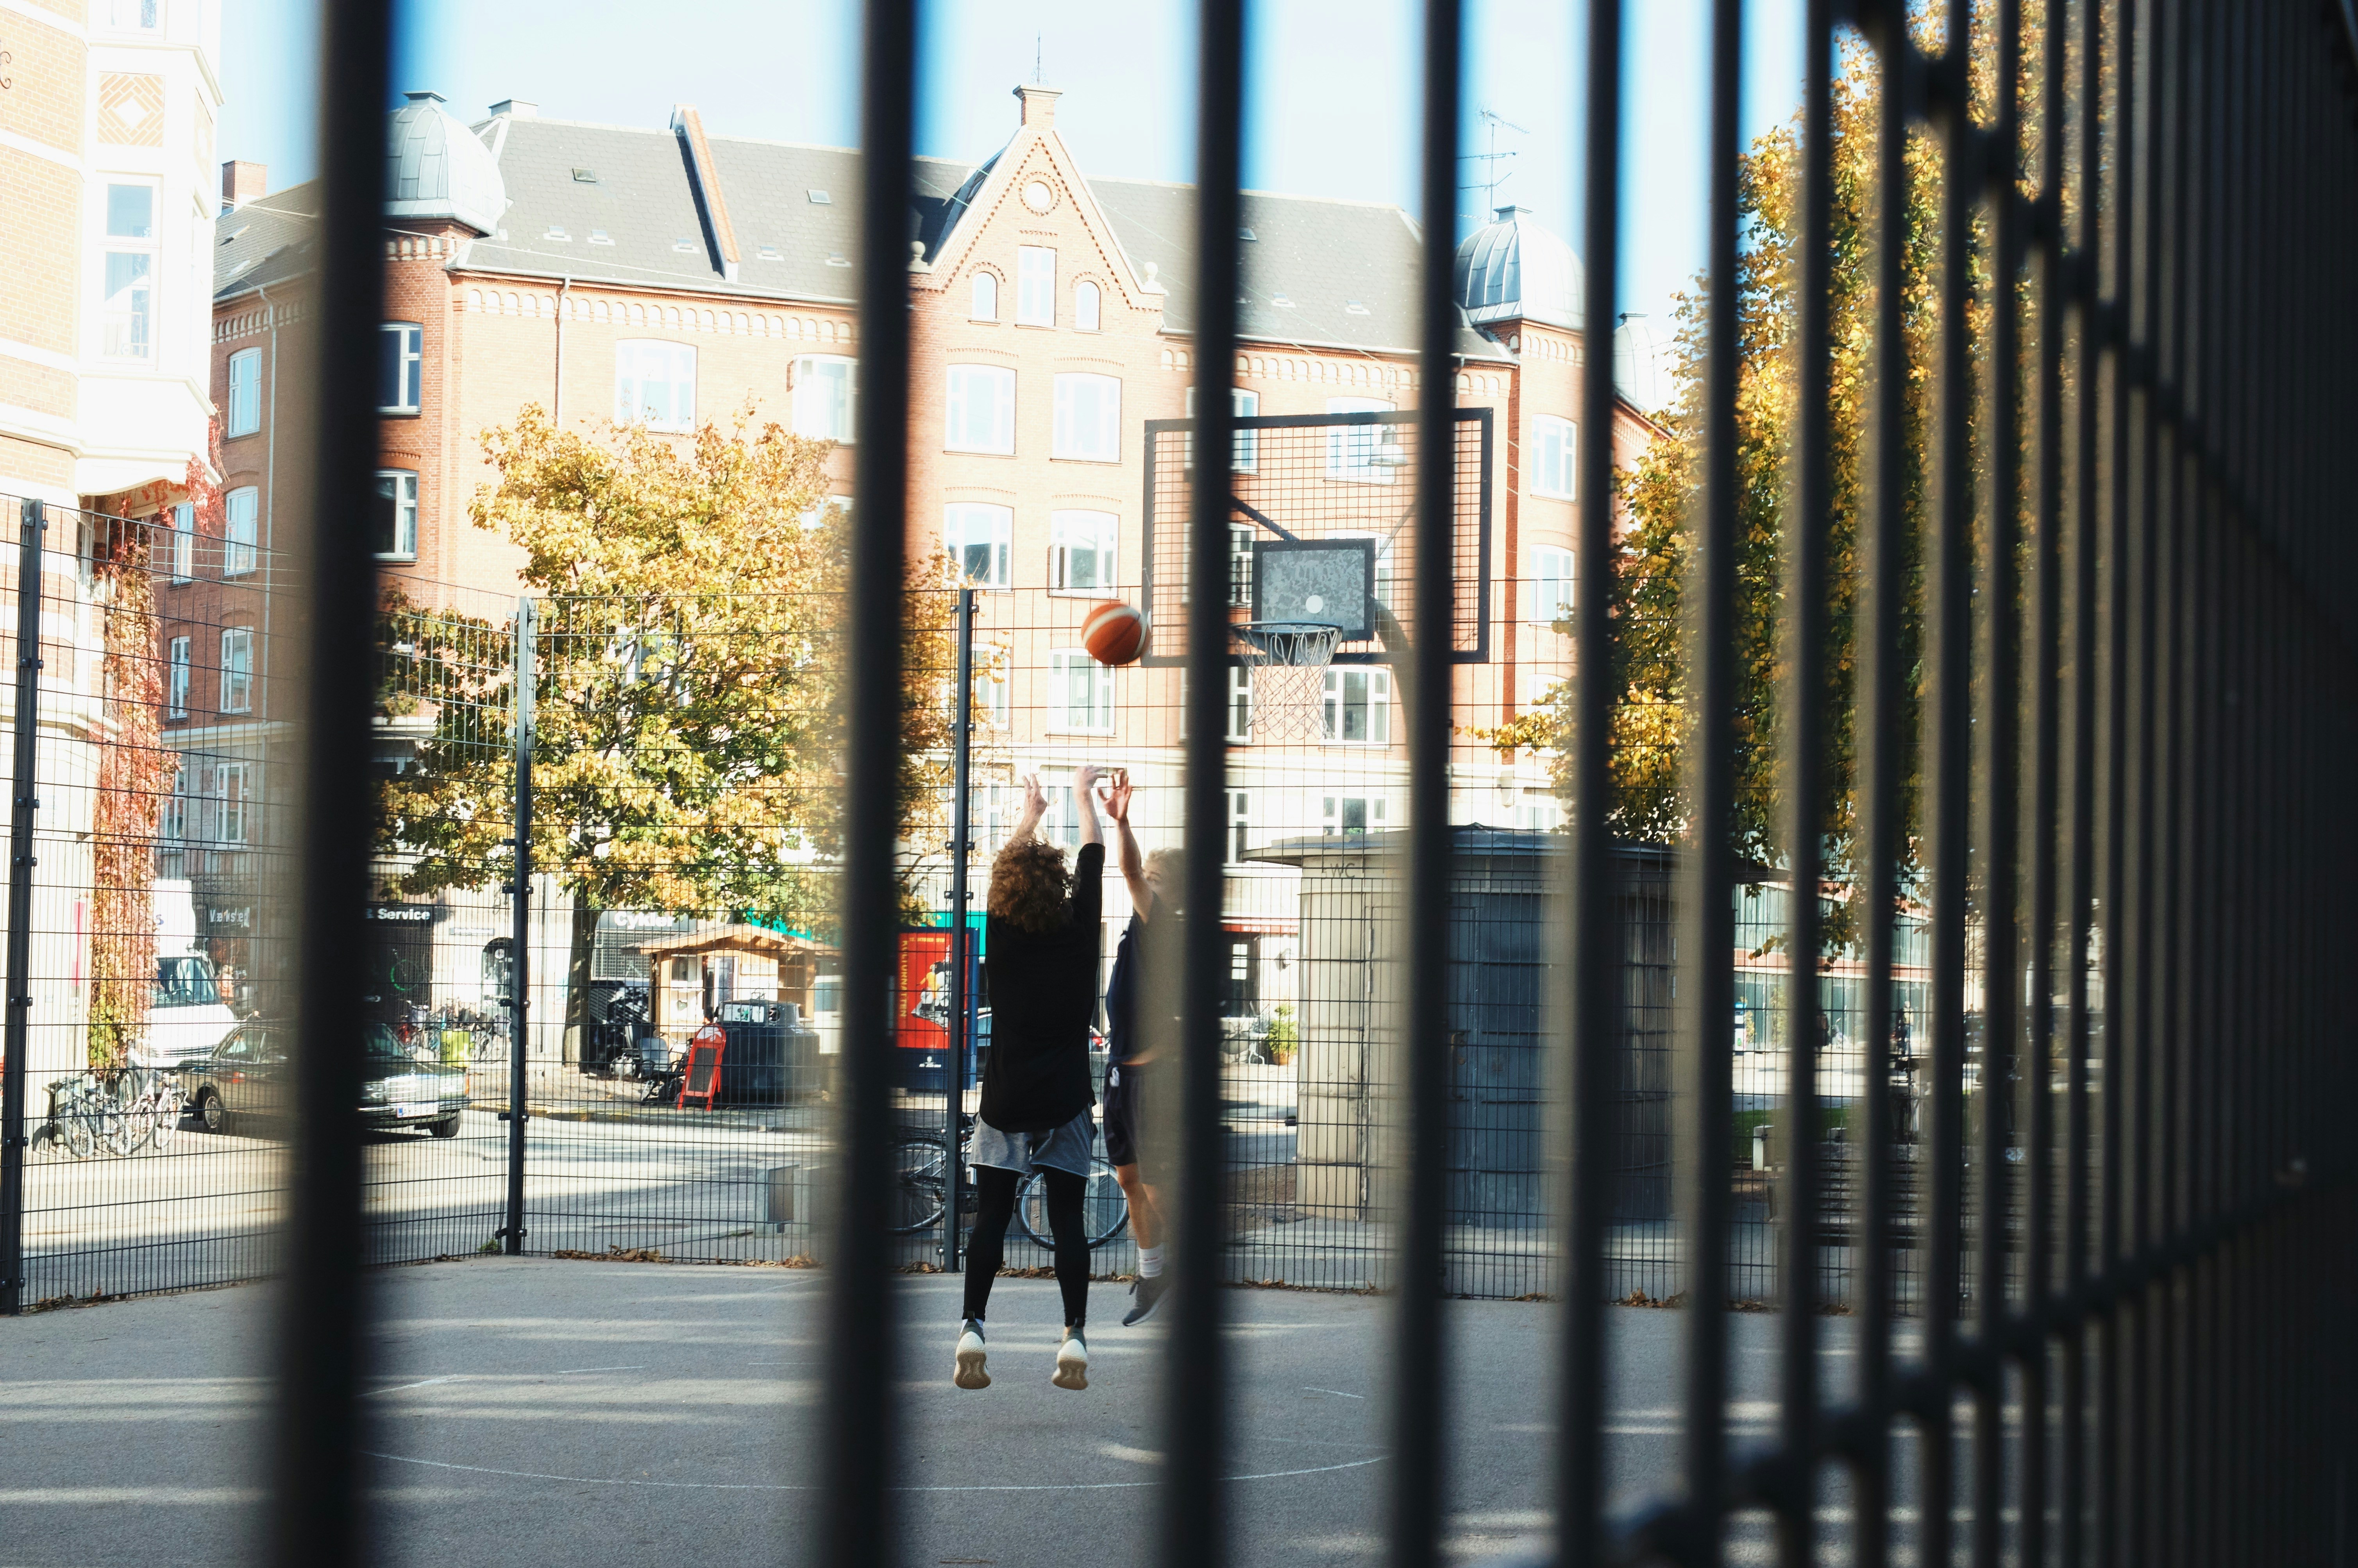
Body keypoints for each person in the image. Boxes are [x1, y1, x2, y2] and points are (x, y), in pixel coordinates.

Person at [955, 766, 1105, 1393]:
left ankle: (973, 1325)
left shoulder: (1004, 935)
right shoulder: (1080, 936)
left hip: (1006, 1099)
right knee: (1068, 1220)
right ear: (1064, 886)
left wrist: (1030, 813)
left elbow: (1001, 873)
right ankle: (1073, 1333)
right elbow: (1094, 861)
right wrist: (1083, 797)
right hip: (1066, 1099)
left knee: (992, 1216)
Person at [1099, 773, 1175, 1326]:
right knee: (1128, 1180)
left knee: (1157, 1186)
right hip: (1120, 1074)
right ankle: (1154, 1273)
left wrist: (1121, 823)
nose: (1142, 882)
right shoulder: (1135, 929)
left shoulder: (1162, 922)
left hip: (1150, 1080)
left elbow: (1126, 868)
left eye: (1155, 878)